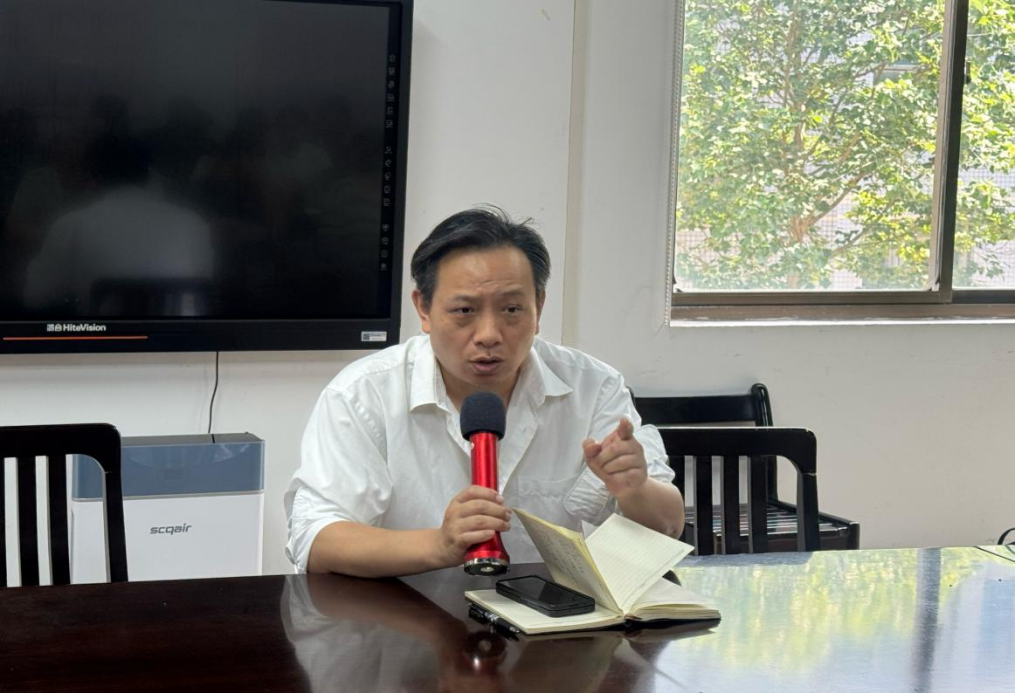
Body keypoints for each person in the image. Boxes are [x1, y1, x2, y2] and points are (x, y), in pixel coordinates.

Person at [285, 206, 684, 577]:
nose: (489, 334)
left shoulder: (593, 387)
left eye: (511, 310)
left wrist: (634, 490)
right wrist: (439, 545)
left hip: (552, 617)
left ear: (538, 307)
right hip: (406, 617)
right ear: (423, 309)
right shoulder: (363, 393)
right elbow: (315, 539)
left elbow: (668, 526)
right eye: (465, 311)